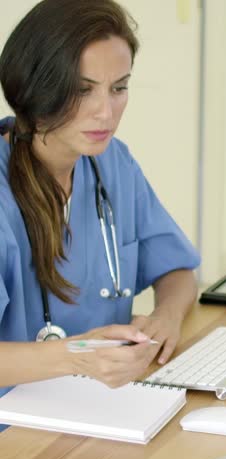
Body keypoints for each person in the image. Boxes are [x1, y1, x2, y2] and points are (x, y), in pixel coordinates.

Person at [0, 0, 200, 407]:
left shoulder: (113, 164)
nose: (106, 112)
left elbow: (177, 269)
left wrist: (166, 319)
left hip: (101, 406)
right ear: (36, 88)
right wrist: (76, 356)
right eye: (82, 90)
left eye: (119, 88)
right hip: (16, 425)